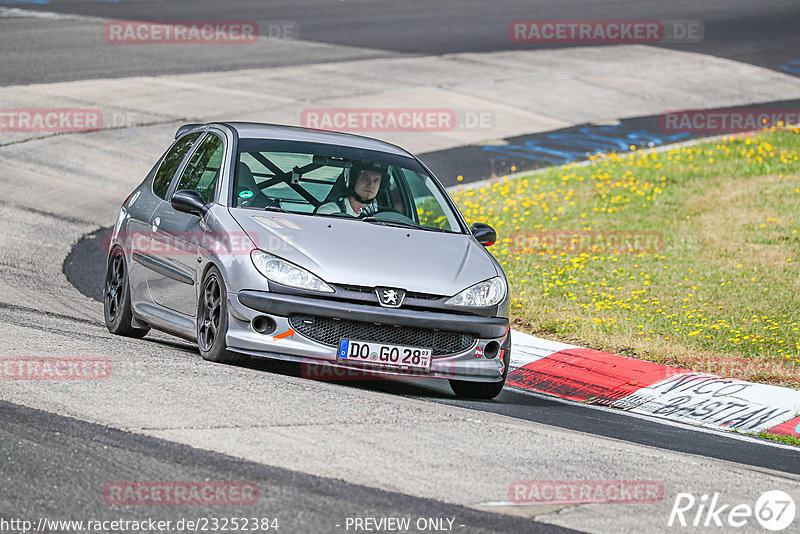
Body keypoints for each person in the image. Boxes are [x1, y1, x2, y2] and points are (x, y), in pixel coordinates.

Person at [316, 162, 387, 216]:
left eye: (376, 180)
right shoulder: (329, 211)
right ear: (353, 181)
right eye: (365, 178)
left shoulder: (384, 217)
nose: (371, 184)